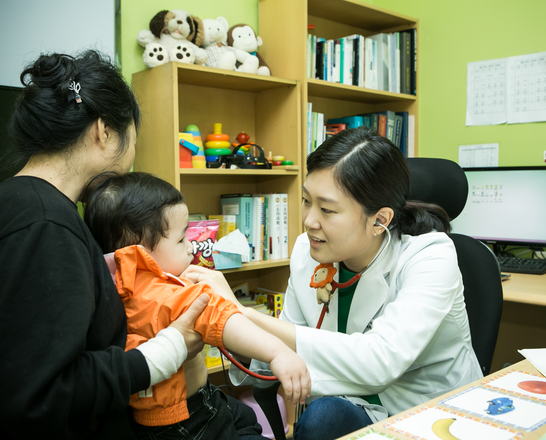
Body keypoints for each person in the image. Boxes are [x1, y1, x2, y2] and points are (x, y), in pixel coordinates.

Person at [184, 127, 483, 440]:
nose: (310, 220)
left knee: (324, 416)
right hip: (352, 407)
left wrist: (242, 314)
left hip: (430, 413)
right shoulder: (306, 251)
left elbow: (378, 363)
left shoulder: (430, 256)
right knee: (311, 417)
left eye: (327, 209)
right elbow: (287, 343)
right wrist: (228, 328)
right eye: (306, 200)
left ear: (379, 220)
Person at [0, 51, 211, 440]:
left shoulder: (17, 203)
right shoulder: (42, 223)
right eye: (133, 142)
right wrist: (165, 352)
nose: (131, 162)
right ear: (104, 131)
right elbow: (39, 395)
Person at [82, 171, 311, 440]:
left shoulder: (106, 284)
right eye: (181, 240)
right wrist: (277, 353)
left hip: (161, 418)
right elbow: (221, 317)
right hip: (190, 419)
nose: (191, 247)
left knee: (244, 417)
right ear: (140, 252)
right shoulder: (165, 296)